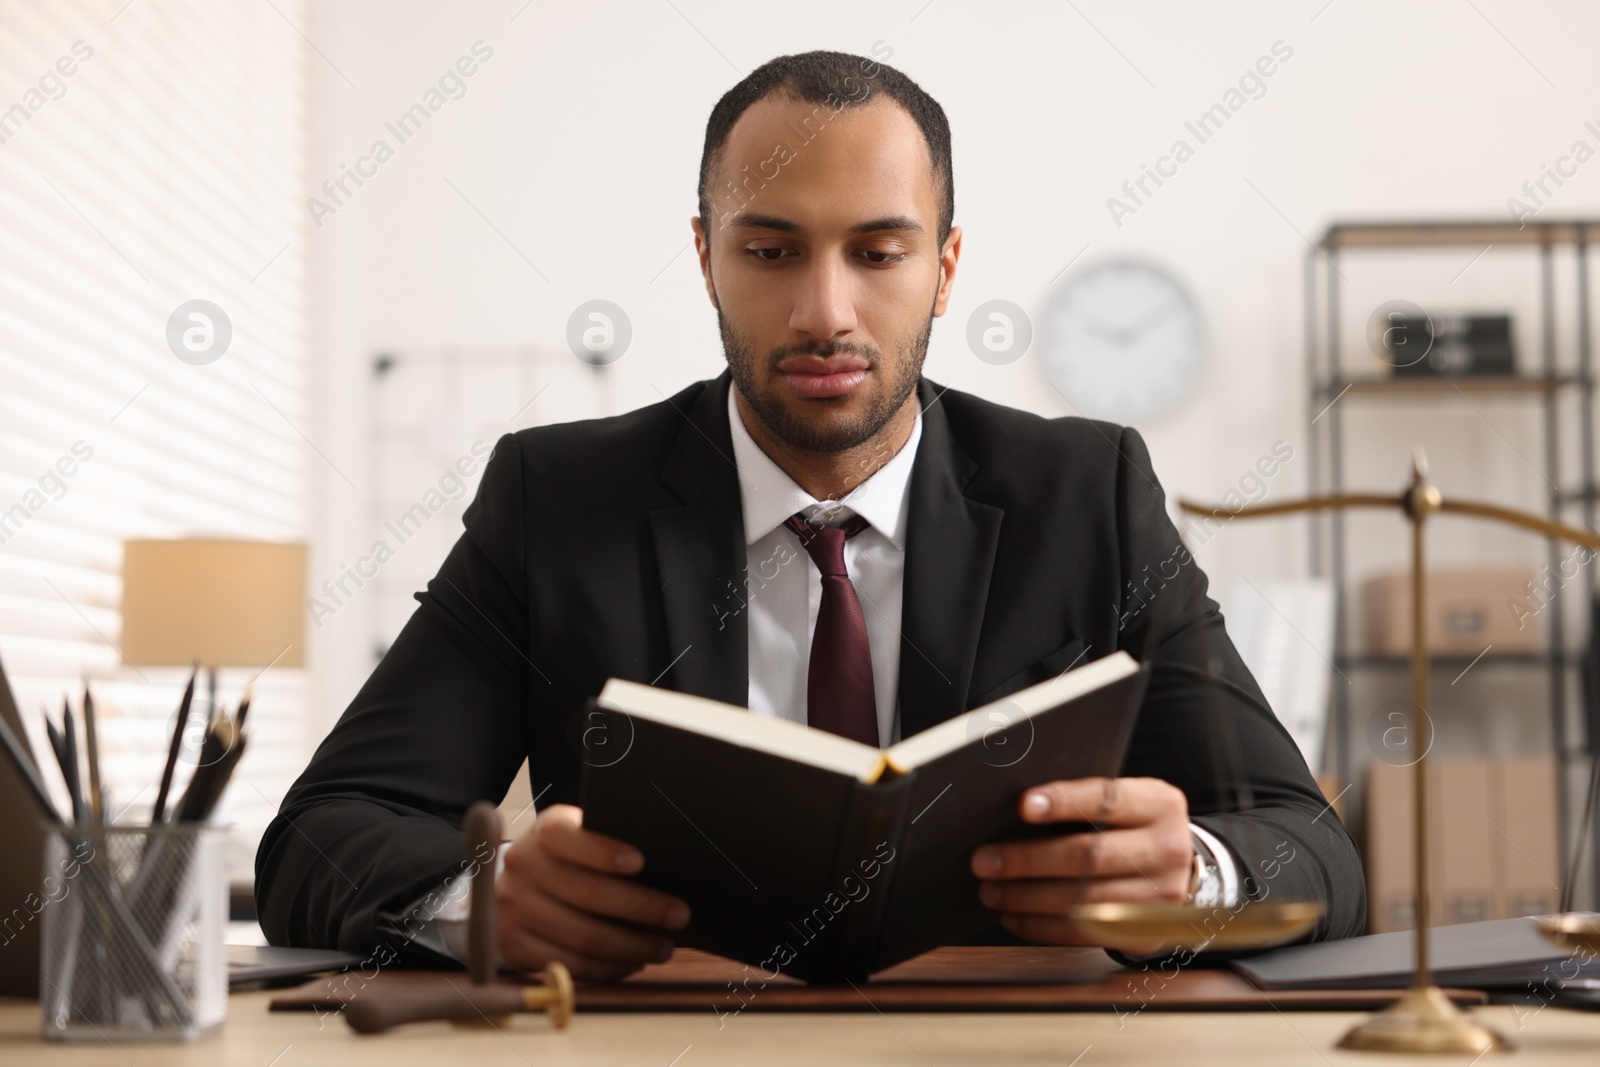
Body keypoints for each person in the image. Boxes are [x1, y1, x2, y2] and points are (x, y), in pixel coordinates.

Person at [257, 50, 1365, 981]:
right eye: (771, 250)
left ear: (944, 268)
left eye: (878, 253)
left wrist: (1193, 873)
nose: (824, 311)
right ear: (705, 257)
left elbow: (1311, 842)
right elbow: (319, 838)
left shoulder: (1089, 493)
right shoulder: (556, 501)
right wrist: (484, 898)